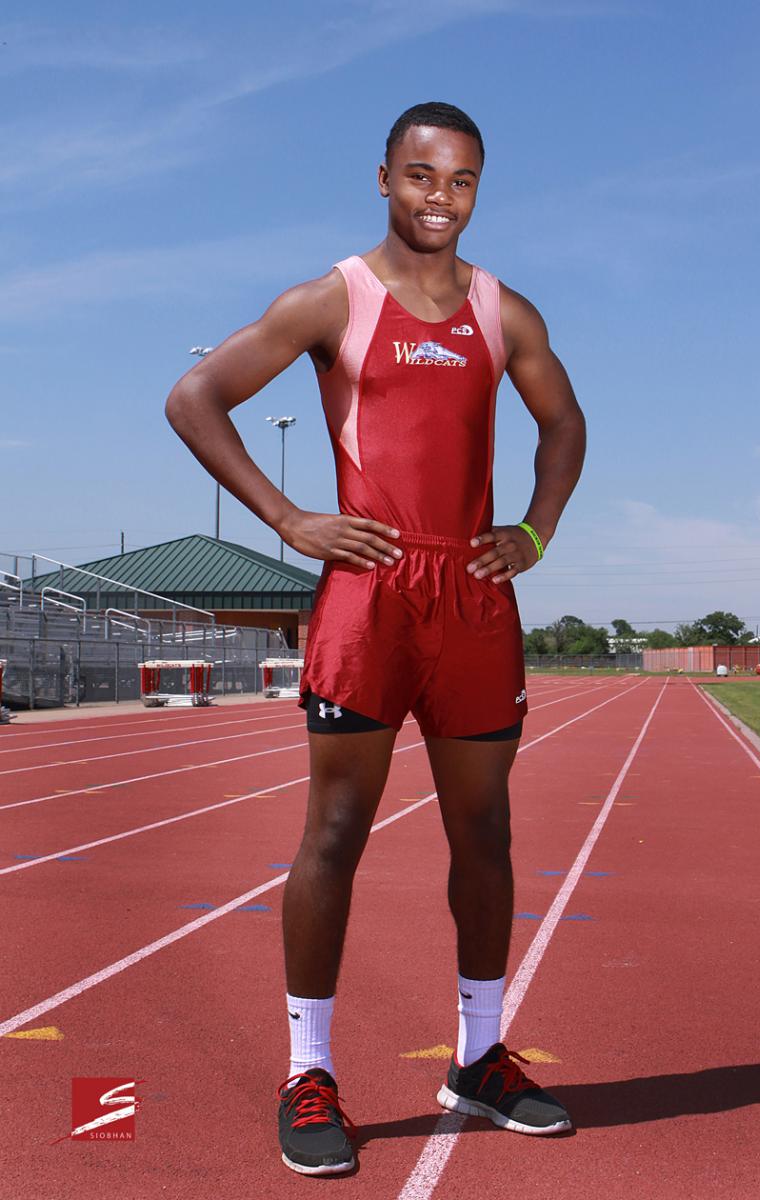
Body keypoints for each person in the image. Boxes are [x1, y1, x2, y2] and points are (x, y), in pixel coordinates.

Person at [165, 100, 586, 1177]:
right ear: (384, 179)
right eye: (419, 175)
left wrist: (534, 528)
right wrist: (288, 518)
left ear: (477, 189)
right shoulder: (333, 298)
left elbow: (563, 424)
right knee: (336, 830)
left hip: (473, 599)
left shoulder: (504, 313)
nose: (438, 197)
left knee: (483, 838)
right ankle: (308, 1070)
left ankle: (479, 1056)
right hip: (368, 596)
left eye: (459, 180)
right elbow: (196, 396)